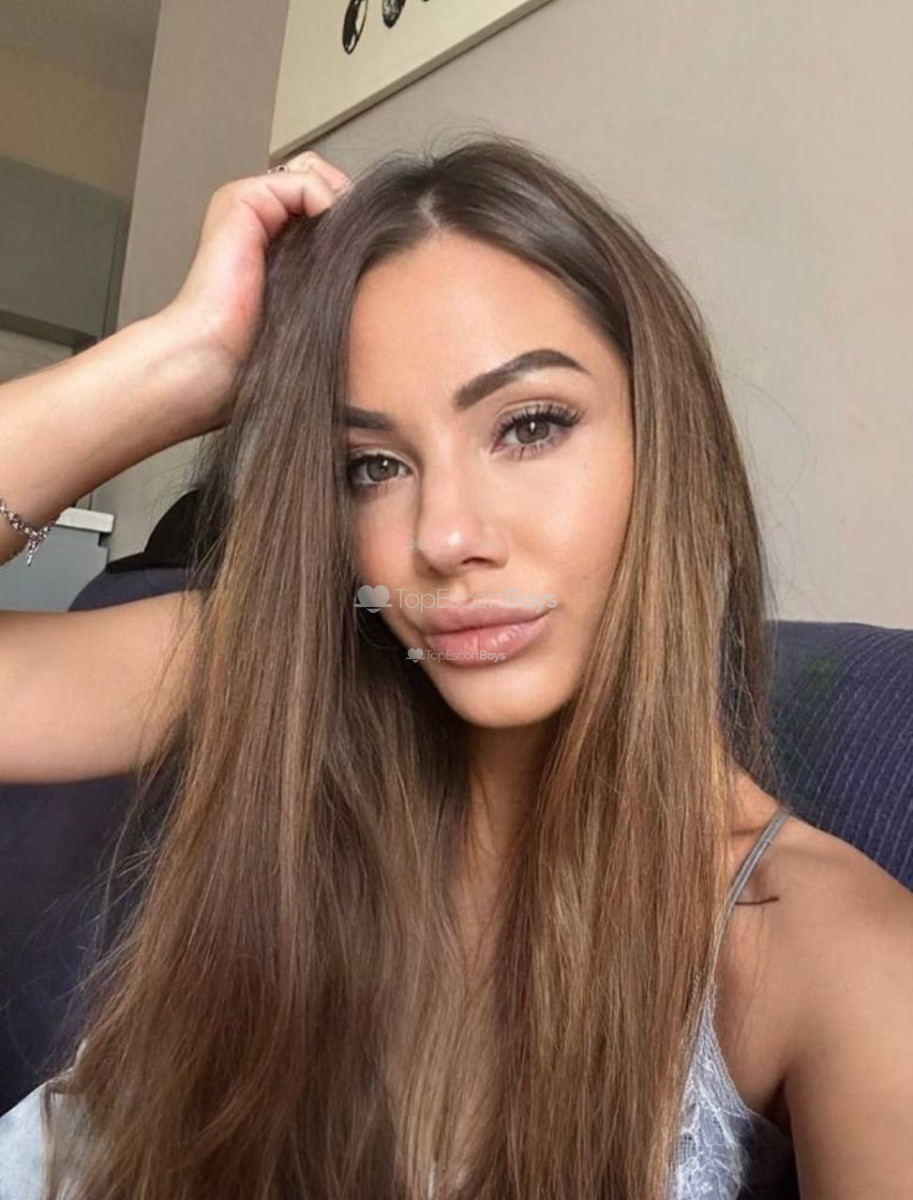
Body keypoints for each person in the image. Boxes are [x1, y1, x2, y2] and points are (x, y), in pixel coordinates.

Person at [0, 135, 910, 1200]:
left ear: (672, 448)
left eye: (529, 426)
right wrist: (176, 363)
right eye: (373, 466)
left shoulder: (827, 950)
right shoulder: (281, 676)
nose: (444, 536)